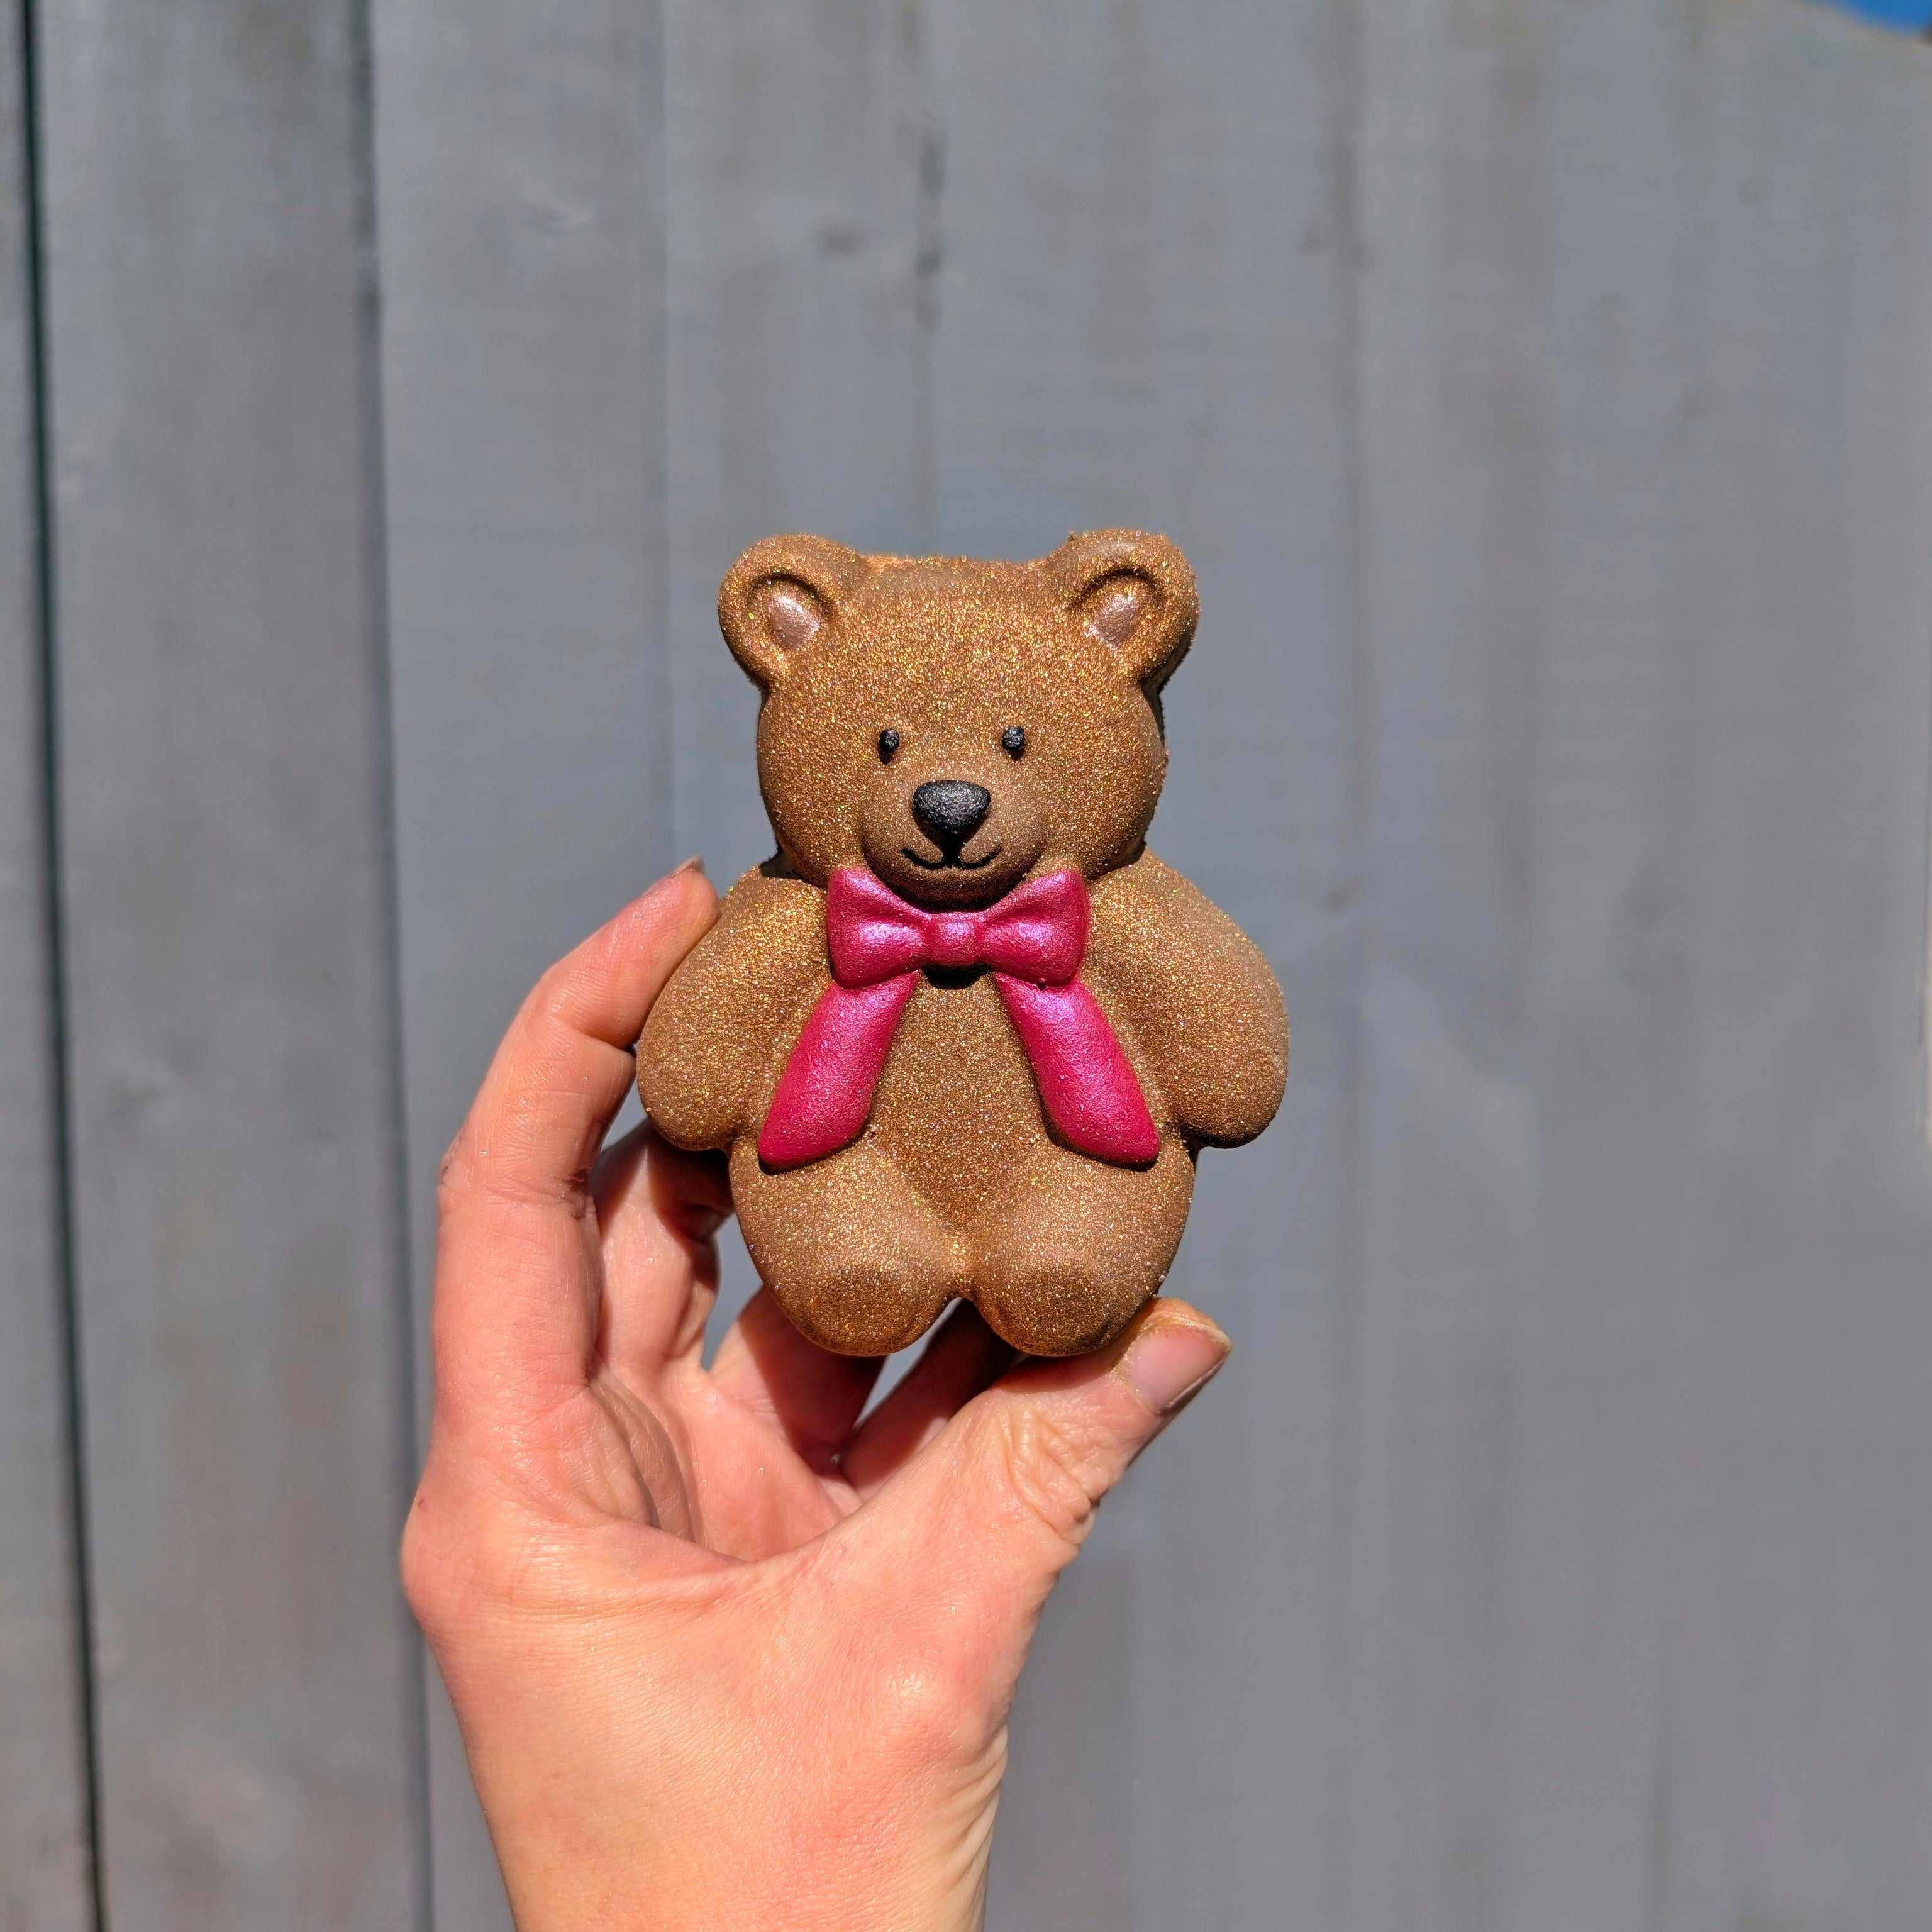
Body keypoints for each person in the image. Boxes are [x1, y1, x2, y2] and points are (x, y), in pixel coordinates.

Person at [402, 860, 1232, 1930]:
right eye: (882, 746)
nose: (948, 797)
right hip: (849, 1179)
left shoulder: (1121, 914)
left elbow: (1231, 1074)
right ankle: (862, 1265)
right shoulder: (804, 924)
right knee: (846, 1268)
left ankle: (1056, 1257)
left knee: (1070, 1271)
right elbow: (694, 1086)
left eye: (1017, 745)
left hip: (1069, 1177)